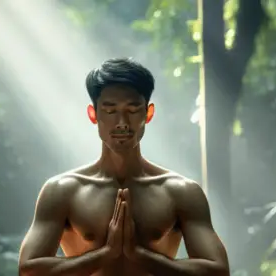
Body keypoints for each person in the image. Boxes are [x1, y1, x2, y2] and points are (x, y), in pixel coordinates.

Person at [18, 58, 229, 276]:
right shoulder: (63, 191)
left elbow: (218, 271)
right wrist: (105, 254)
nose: (122, 122)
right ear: (93, 114)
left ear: (148, 114)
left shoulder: (180, 192)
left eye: (133, 109)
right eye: (110, 111)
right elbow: (28, 270)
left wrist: (140, 255)